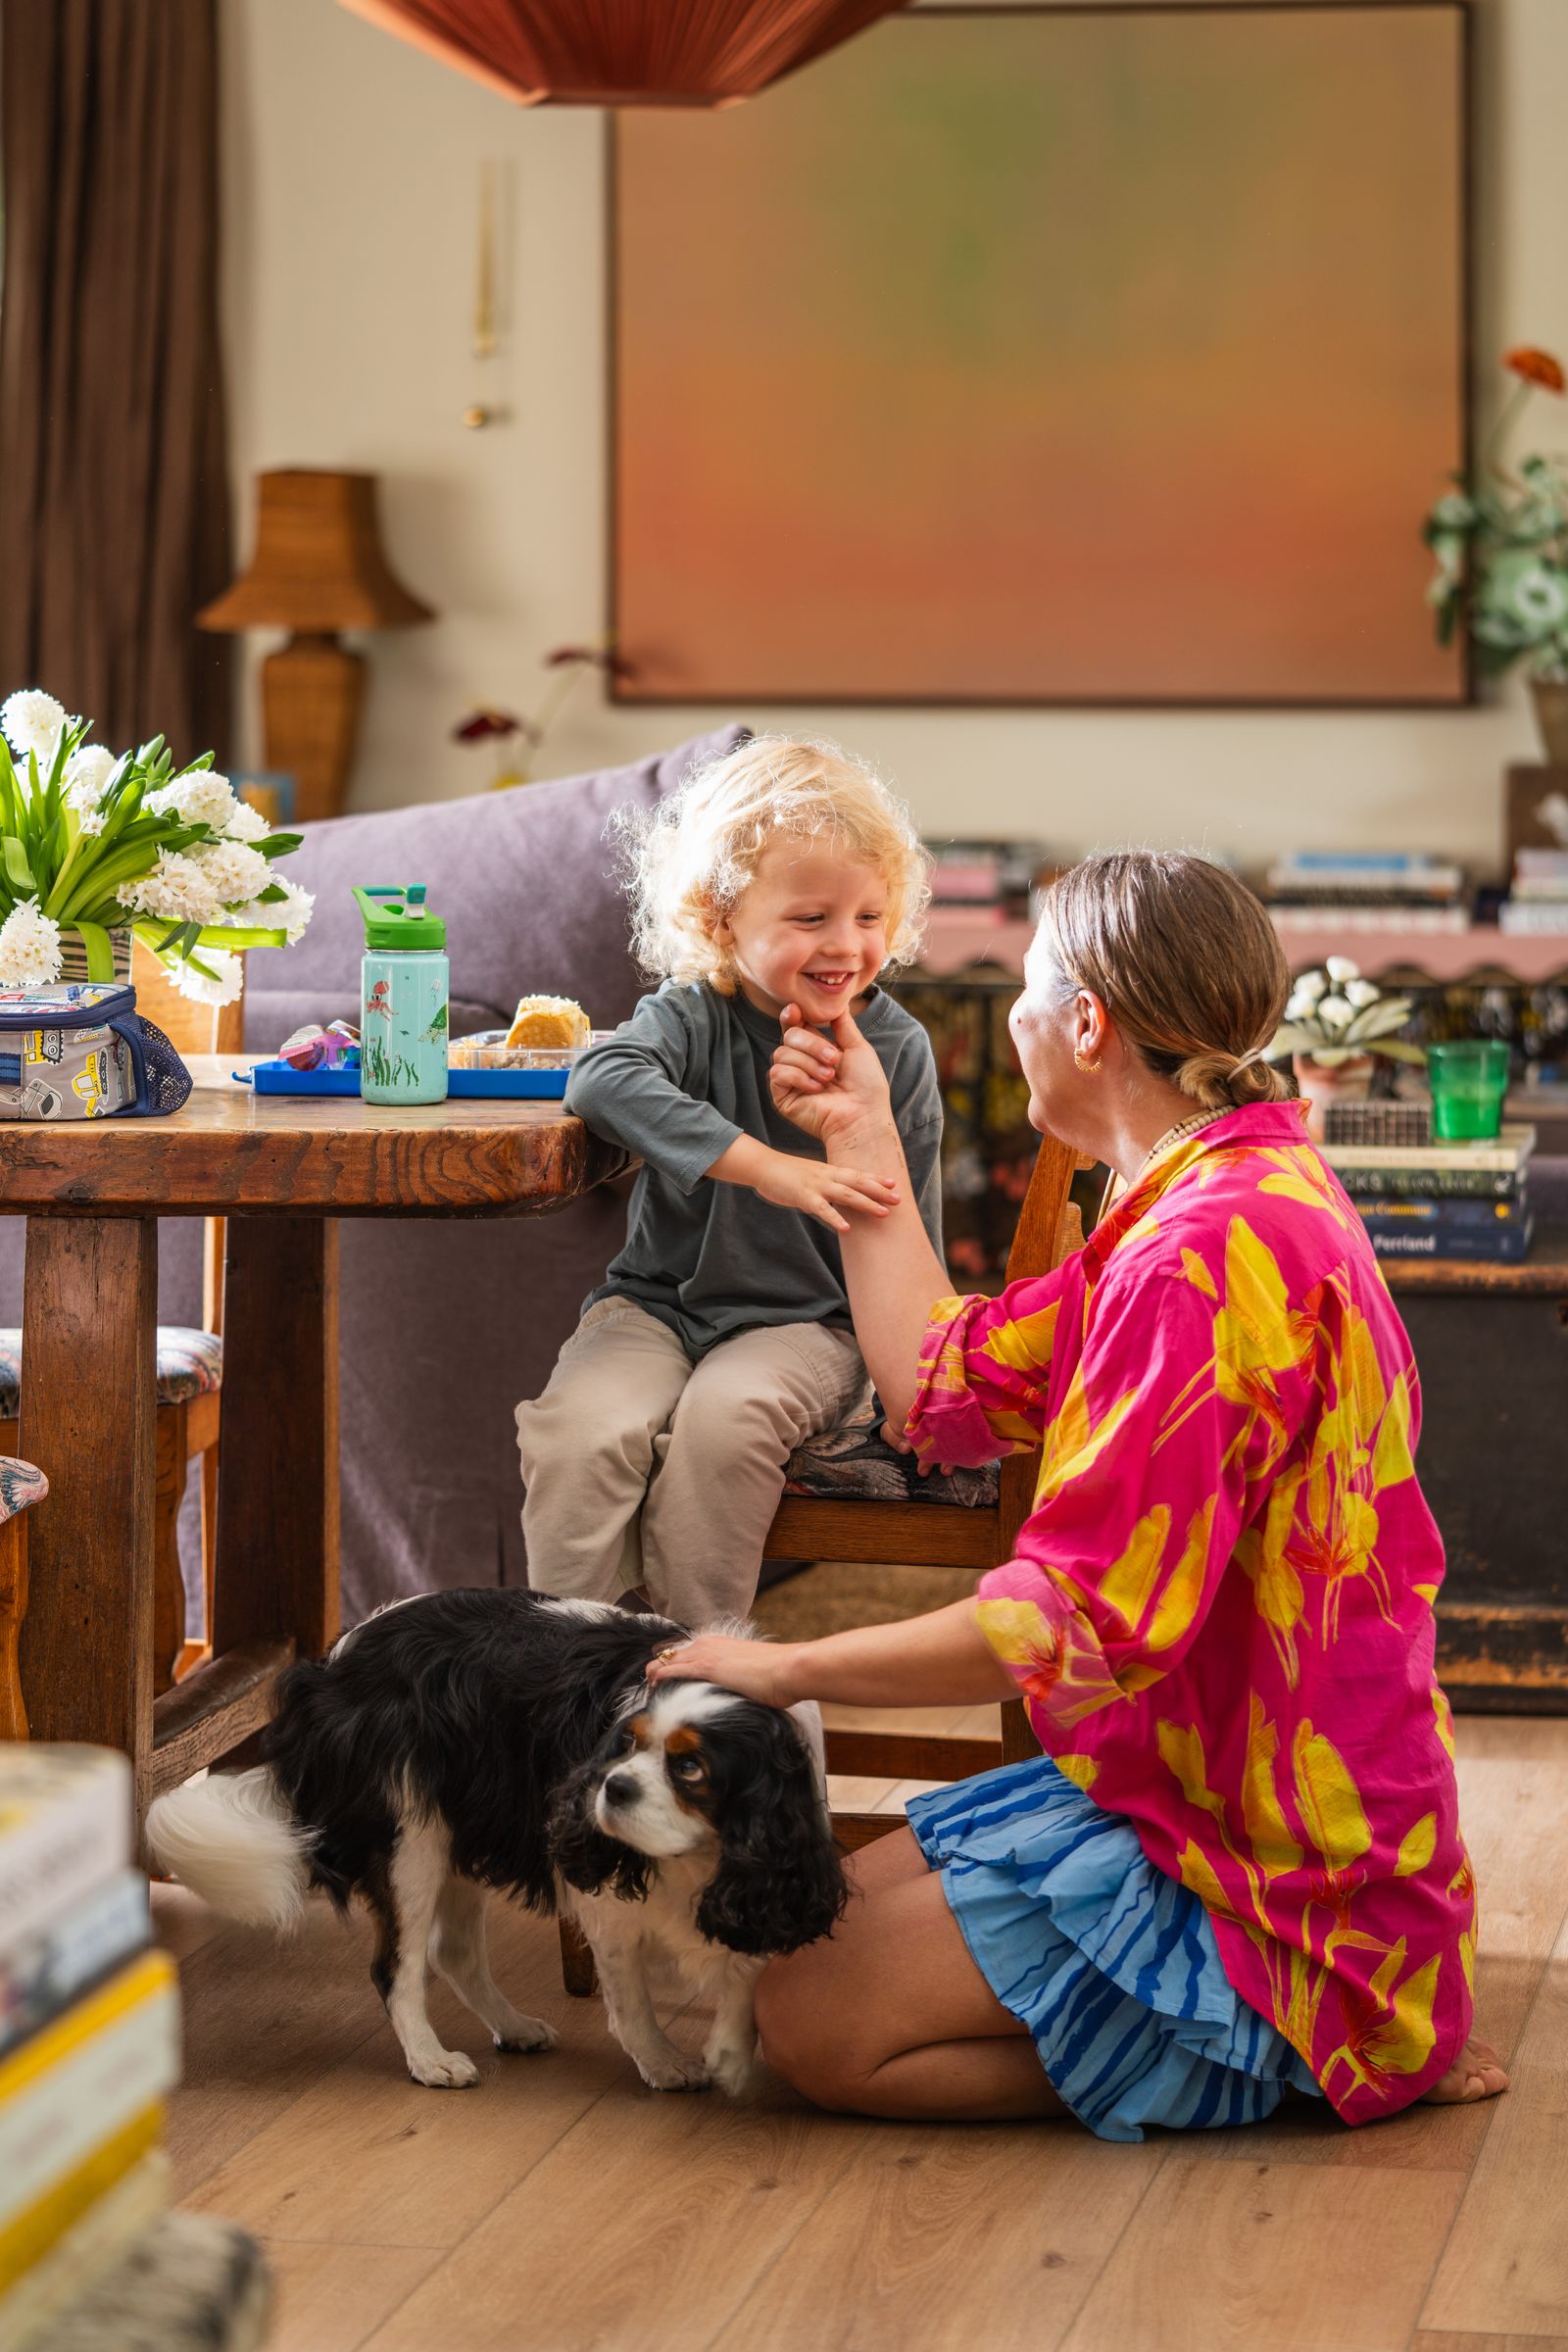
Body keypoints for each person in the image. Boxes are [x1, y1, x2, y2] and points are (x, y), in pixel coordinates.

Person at [650, 849, 1507, 2138]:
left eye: (1032, 987)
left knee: (810, 2028)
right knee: (819, 1933)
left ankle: (1317, 2048)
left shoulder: (1197, 1260)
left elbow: (1067, 1624)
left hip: (1276, 1859)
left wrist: (781, 1669)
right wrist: (865, 1138)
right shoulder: (1216, 1185)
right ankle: (1355, 2024)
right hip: (1208, 1783)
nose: (1015, 1016)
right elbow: (937, 1386)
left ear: (1089, 1022)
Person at [516, 735, 943, 1627]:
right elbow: (601, 1079)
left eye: (869, 917)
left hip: (810, 1325)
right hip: (659, 1307)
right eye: (811, 917)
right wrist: (770, 1169)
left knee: (725, 1425)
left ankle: (692, 1676)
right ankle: (562, 1683)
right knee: (579, 1433)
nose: (845, 946)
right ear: (720, 917)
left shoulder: (897, 1051)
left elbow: (915, 1237)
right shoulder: (691, 1014)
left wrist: (917, 1380)